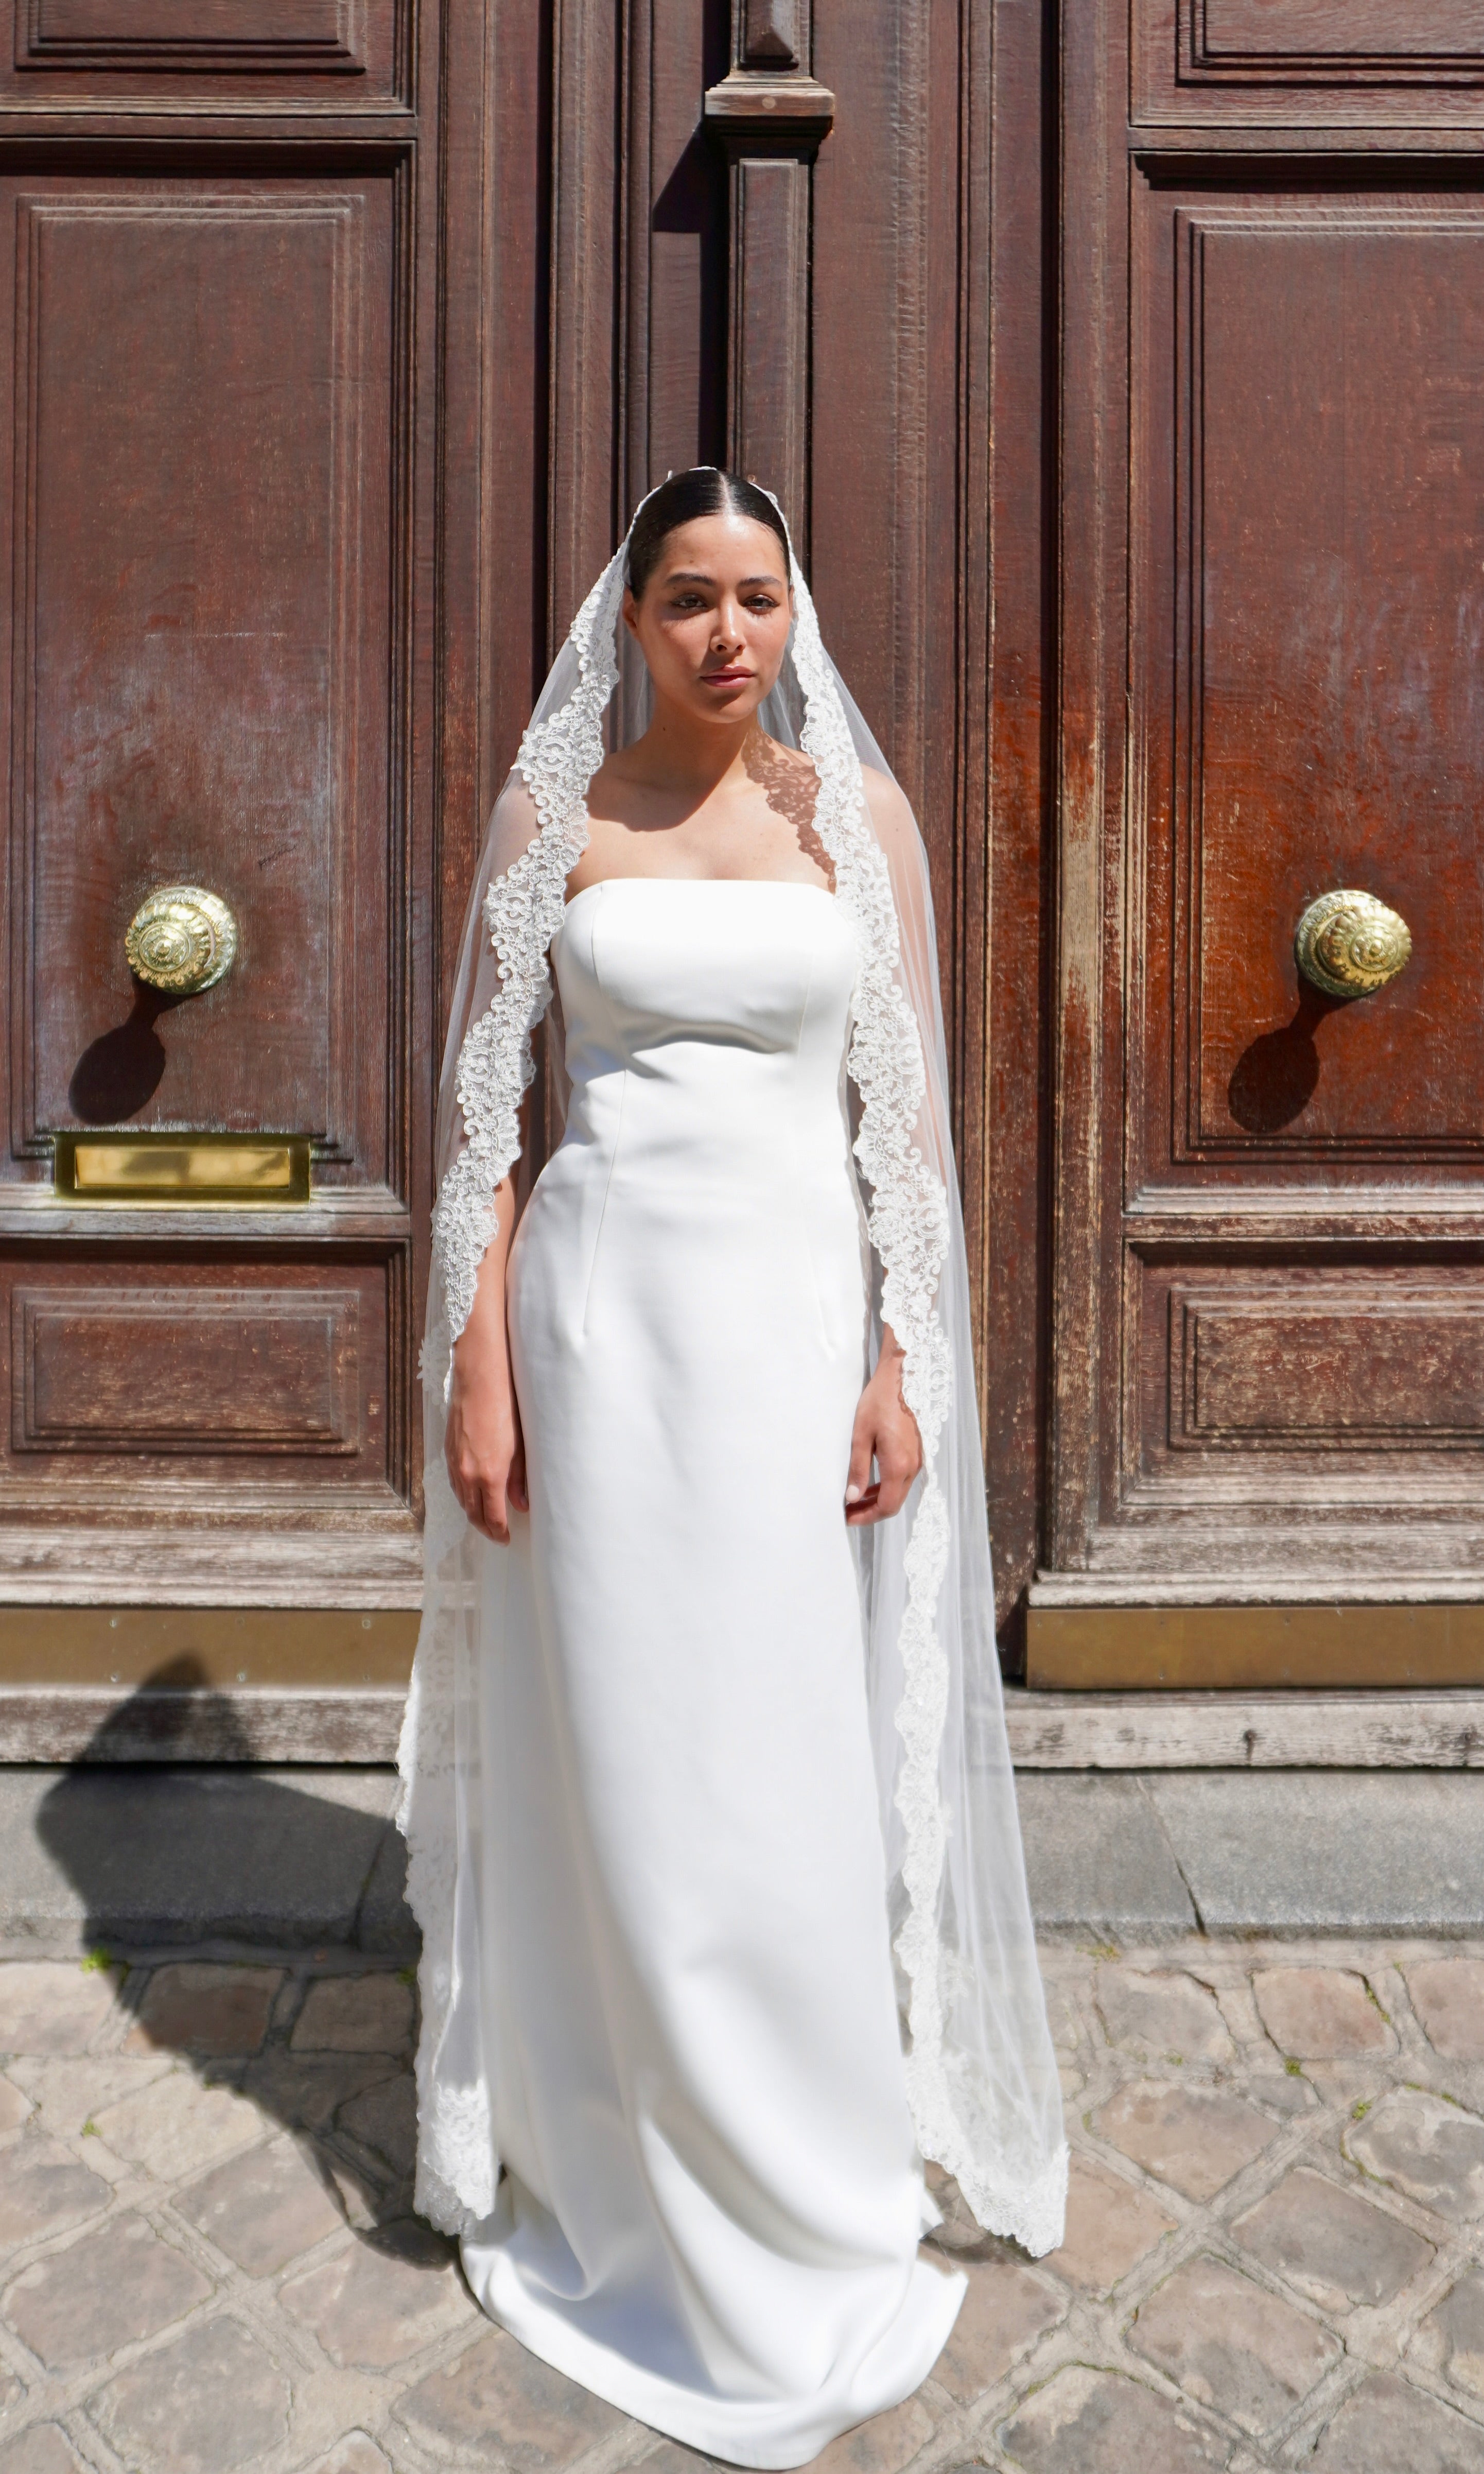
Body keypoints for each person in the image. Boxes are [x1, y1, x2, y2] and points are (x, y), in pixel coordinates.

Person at [396, 470, 1066, 2468]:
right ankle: (613, 2142)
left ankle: (802, 2161)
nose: (724, 634)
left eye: (755, 597)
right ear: (630, 620)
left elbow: (907, 1127)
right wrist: (479, 1364)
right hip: (601, 1333)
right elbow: (484, 1129)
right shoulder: (555, 818)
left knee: (773, 1756)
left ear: (794, 613)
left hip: (788, 1336)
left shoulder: (857, 821)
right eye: (687, 598)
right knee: (621, 1742)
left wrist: (902, 1359)